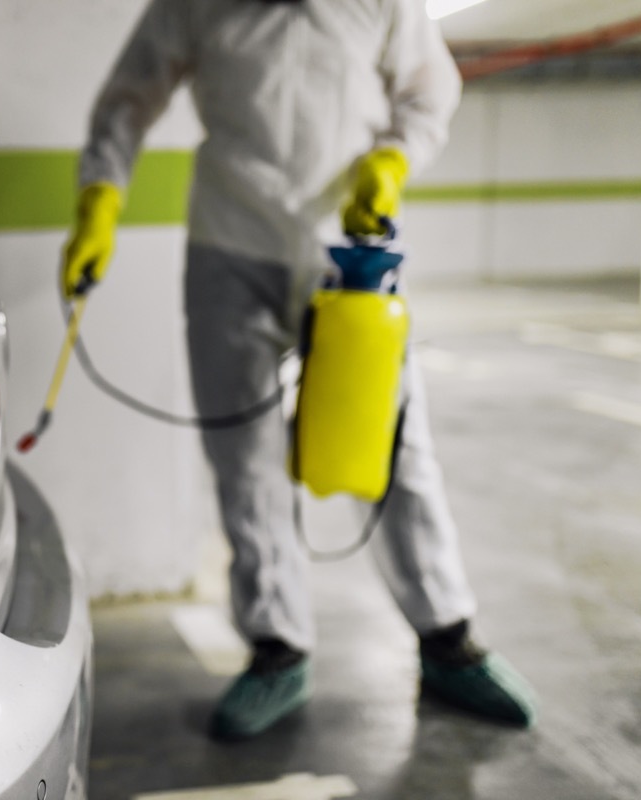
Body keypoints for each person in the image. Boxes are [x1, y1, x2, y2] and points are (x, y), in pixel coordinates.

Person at [61, 0, 537, 740]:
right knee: (244, 458)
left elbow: (429, 87)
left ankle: (447, 639)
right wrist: (100, 193)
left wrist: (392, 156)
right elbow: (129, 98)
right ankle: (277, 649)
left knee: (391, 448)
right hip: (230, 246)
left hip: (346, 255)